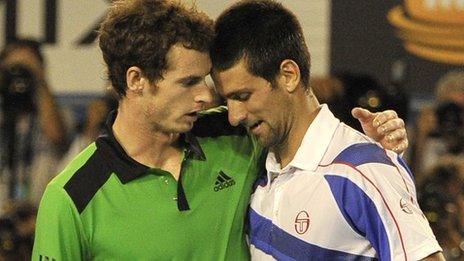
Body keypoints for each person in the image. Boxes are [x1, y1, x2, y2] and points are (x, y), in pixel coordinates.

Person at [33, 0, 409, 260]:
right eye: (188, 82)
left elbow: (307, 133)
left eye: (206, 81)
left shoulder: (235, 135)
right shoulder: (70, 197)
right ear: (137, 81)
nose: (205, 97)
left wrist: (373, 146)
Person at [210, 0, 443, 260]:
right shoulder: (257, 166)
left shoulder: (364, 171)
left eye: (243, 95)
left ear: (288, 75)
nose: (234, 116)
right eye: (227, 100)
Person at [0, 39, 68, 210]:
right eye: (12, 69)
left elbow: (57, 136)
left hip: (38, 215)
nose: (18, 77)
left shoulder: (57, 113)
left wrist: (38, 80)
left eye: (25, 70)